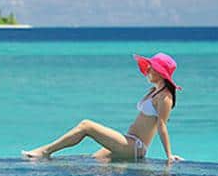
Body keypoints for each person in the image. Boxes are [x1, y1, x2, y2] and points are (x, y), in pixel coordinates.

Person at [22, 53, 184, 163]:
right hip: (128, 141)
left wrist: (169, 156)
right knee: (94, 162)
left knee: (87, 126)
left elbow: (162, 126)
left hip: (136, 146)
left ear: (161, 73)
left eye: (152, 68)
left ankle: (45, 151)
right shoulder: (154, 91)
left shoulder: (165, 97)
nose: (147, 69)